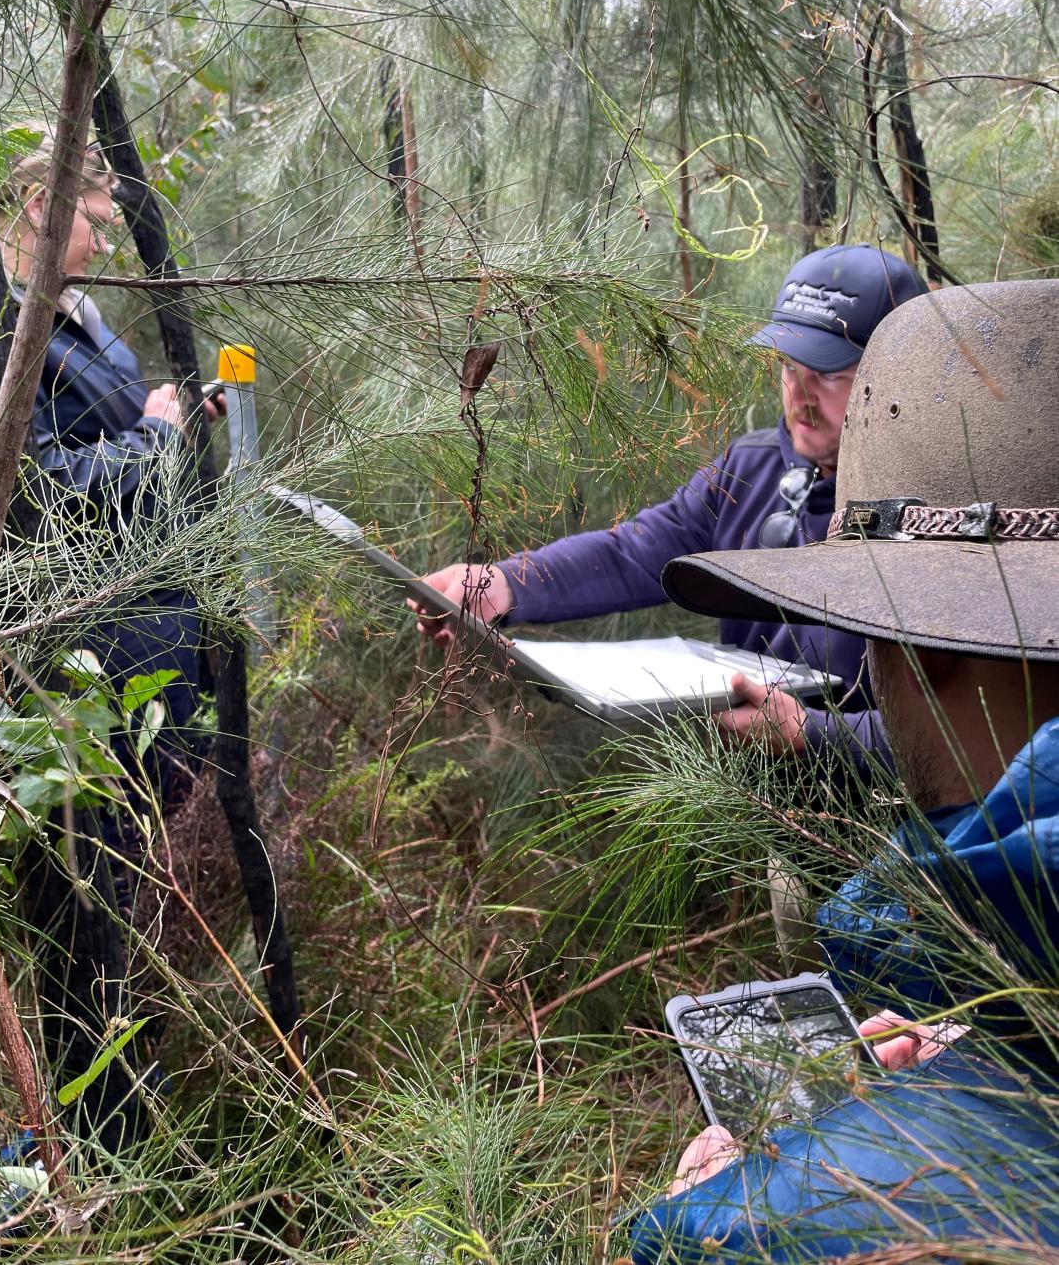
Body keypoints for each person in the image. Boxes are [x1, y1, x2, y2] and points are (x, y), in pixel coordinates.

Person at [627, 278, 1059, 1260]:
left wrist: (729, 1208)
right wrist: (986, 1033)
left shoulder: (775, 1226)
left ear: (915, 643)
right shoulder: (745, 473)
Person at [414, 245, 926, 772]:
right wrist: (504, 583)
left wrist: (817, 735)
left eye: (829, 375)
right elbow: (633, 554)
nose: (799, 397)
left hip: (916, 834)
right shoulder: (749, 471)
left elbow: (986, 737)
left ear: (898, 379)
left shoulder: (945, 514)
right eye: (789, 368)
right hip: (766, 820)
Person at [0, 137, 224, 1149]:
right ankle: (95, 1160)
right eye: (92, 218)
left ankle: (119, 1128)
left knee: (121, 932)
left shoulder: (78, 324)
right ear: (40, 205)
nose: (102, 239)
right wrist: (158, 442)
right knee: (79, 949)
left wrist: (165, 428)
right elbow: (35, 504)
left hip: (148, 687)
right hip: (74, 702)